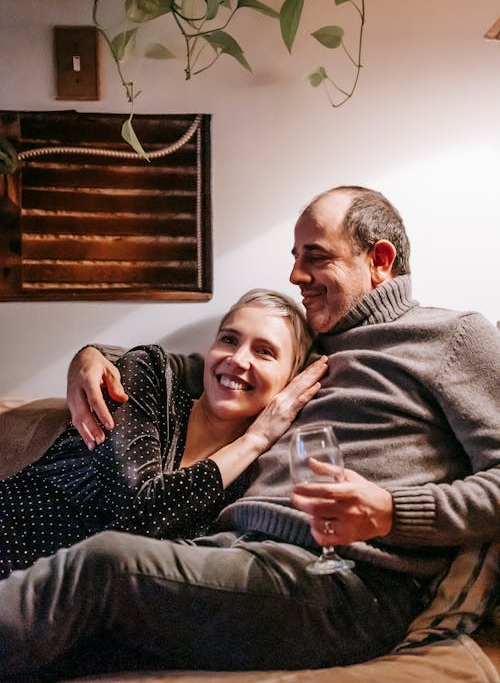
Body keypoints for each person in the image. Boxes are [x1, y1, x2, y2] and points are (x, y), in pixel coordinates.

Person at [0, 185, 499, 680]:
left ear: (380, 260)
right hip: (234, 555)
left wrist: (393, 512)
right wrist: (93, 356)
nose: (295, 275)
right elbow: (215, 374)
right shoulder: (311, 349)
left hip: (340, 582)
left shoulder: (452, 337)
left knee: (101, 567)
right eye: (294, 256)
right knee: (70, 635)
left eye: (315, 256)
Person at [0, 289, 326, 579]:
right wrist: (255, 439)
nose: (238, 359)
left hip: (76, 618)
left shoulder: (250, 481)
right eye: (229, 339)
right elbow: (135, 513)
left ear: (291, 382)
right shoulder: (148, 377)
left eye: (264, 351)